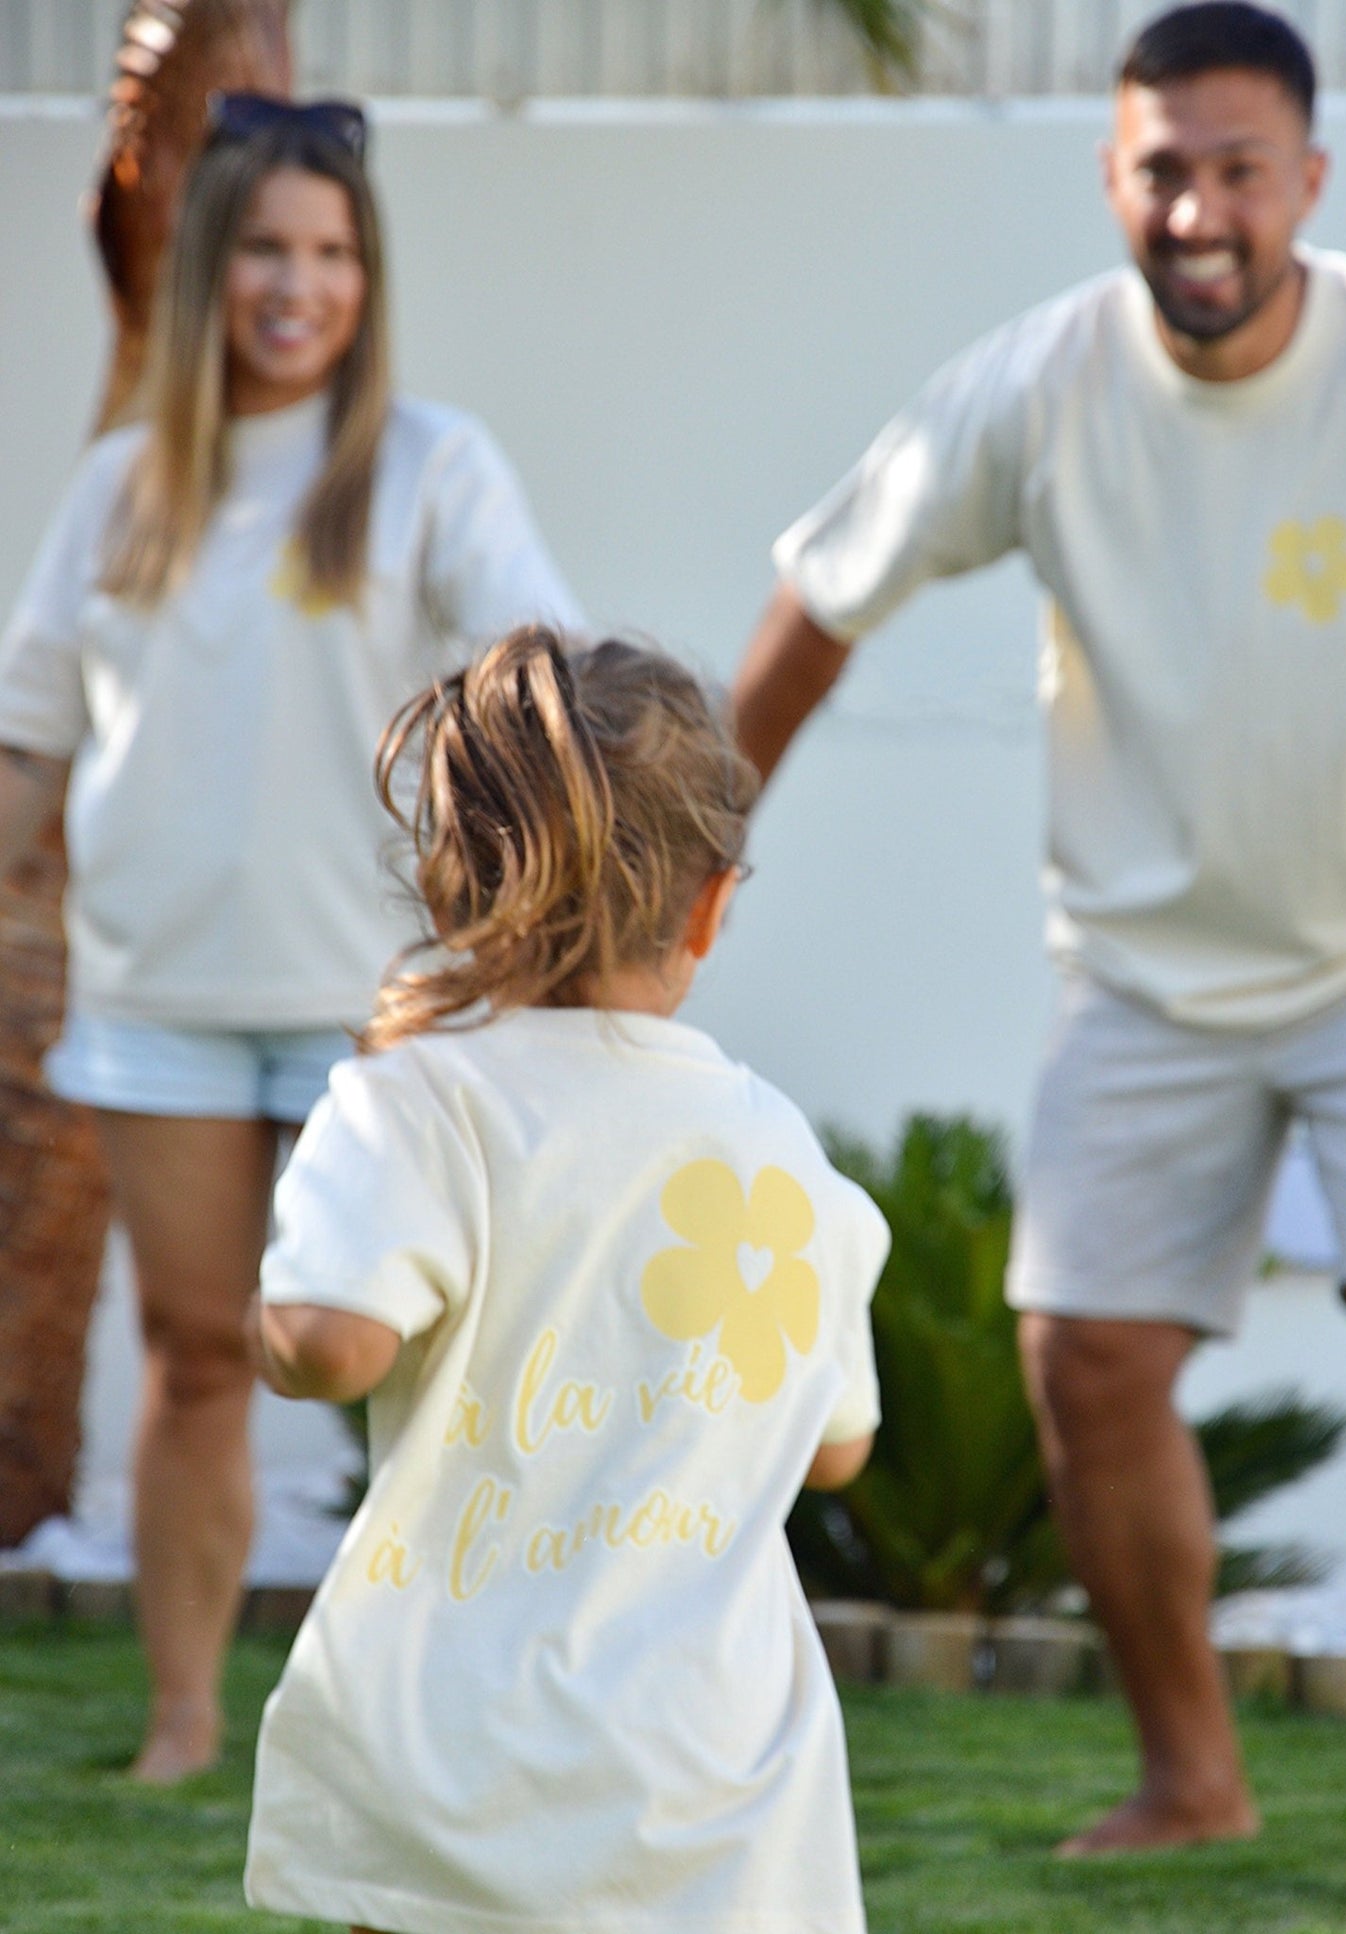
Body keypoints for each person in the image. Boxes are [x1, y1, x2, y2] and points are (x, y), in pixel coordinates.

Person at [731, 0, 1346, 1873]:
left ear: (1310, 179)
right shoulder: (1032, 387)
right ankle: (1194, 1779)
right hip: (1144, 970)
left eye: (1237, 171)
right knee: (1086, 1364)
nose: (1199, 212)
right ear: (1110, 177)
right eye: (1161, 172)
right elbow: (819, 605)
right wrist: (680, 867)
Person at [0, 94, 582, 1784]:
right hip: (158, 1006)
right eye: (265, 247)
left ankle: (441, 1721)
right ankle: (186, 1719)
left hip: (383, 1014)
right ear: (207, 268)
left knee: (410, 1369)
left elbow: (535, 691)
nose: (296, 285)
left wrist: (550, 921)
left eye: (332, 254)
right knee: (198, 1357)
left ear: (367, 277)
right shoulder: (121, 487)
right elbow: (31, 742)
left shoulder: (432, 469)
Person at [242, 626, 889, 1934]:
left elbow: (331, 1340)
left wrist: (277, 1326)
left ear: (451, 886)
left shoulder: (419, 1104)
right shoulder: (783, 1157)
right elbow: (839, 1449)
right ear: (713, 901)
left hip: (453, 1761)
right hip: (715, 1777)